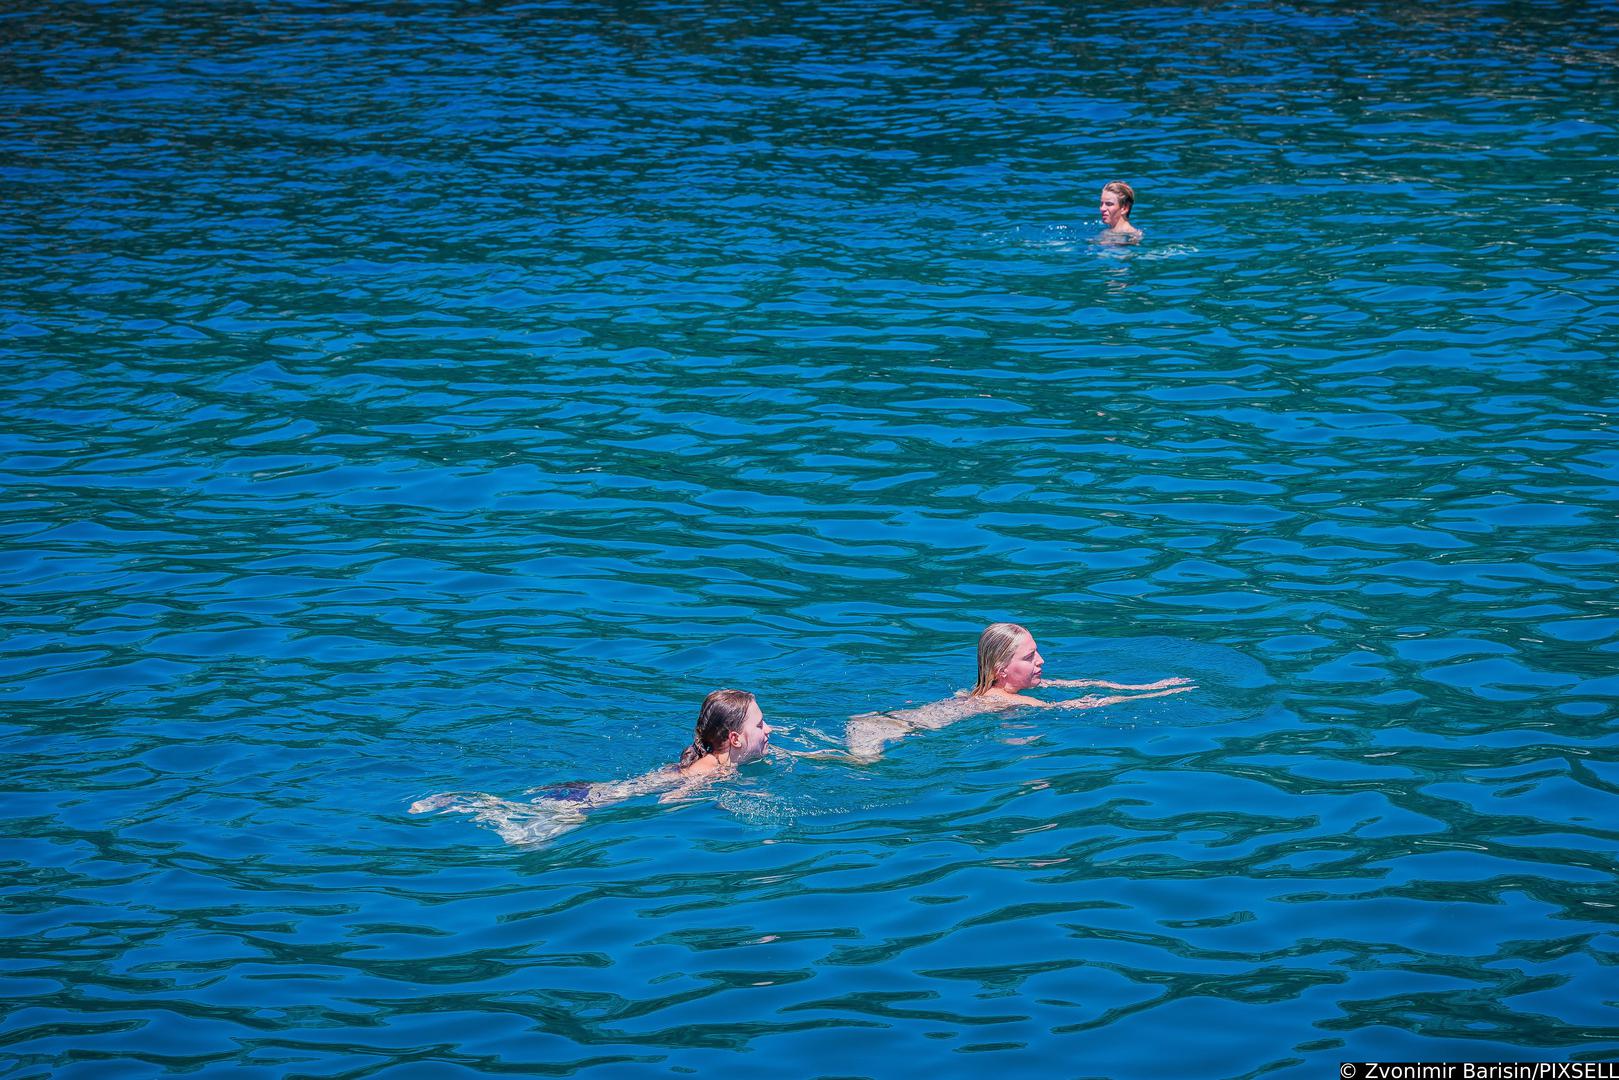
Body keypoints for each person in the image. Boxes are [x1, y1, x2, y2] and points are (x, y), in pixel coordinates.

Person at [409, 688, 772, 844]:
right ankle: (472, 803)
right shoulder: (710, 770)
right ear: (735, 739)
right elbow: (672, 797)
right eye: (760, 725)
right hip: (593, 800)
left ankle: (472, 803)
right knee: (530, 838)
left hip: (594, 791)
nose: (768, 729)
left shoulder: (724, 758)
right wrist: (703, 799)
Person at [843, 623, 1192, 762]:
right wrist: (1151, 698)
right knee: (863, 765)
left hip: (882, 720)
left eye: (1037, 652)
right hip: (883, 728)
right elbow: (1083, 705)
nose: (1041, 661)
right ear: (1001, 671)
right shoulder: (1013, 700)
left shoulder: (984, 690)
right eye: (1029, 658)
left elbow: (1082, 685)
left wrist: (1142, 685)